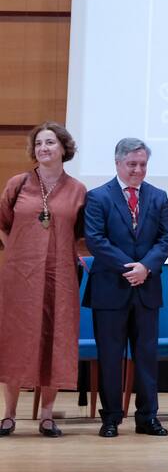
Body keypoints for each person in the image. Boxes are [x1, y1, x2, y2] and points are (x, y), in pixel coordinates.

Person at [0, 122, 86, 438]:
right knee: (16, 338)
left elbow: (80, 233)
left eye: (50, 142)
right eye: (38, 143)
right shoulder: (18, 183)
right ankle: (9, 415)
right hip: (19, 277)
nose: (43, 148)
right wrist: (15, 252)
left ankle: (47, 416)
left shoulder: (78, 190)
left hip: (60, 275)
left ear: (63, 148)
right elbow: (2, 223)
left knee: (56, 337)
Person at [83, 138, 168, 437]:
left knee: (146, 356)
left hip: (146, 289)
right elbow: (96, 240)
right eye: (132, 164)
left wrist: (145, 267)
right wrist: (130, 268)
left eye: (143, 164)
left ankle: (147, 417)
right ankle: (111, 418)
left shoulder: (158, 196)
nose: (138, 170)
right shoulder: (98, 197)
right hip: (110, 289)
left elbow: (166, 238)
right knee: (110, 356)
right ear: (118, 163)